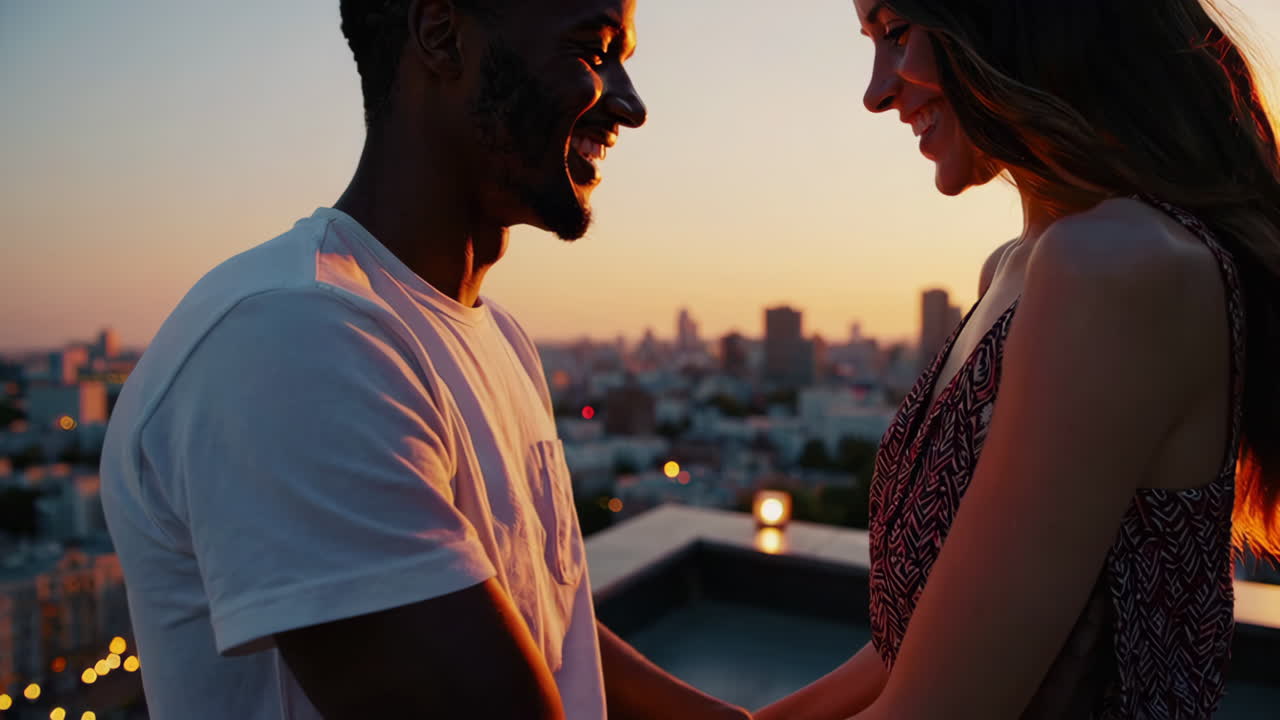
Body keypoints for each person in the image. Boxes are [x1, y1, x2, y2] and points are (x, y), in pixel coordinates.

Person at [99, 1, 752, 718]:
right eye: (593, 50)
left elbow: (543, 626)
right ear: (441, 35)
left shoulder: (497, 338)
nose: (631, 105)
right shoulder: (293, 333)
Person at [757, 1, 1280, 718]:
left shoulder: (1111, 266)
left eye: (897, 32)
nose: (877, 92)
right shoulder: (1018, 268)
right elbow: (907, 651)